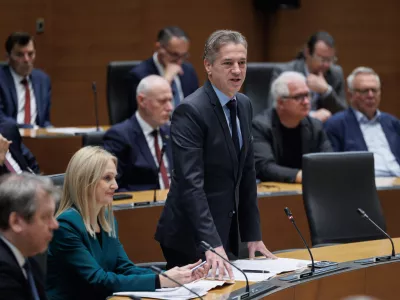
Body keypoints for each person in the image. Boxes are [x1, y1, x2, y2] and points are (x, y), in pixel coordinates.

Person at [155, 30, 276, 279]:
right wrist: (211, 242)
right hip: (191, 236)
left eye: (242, 63)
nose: (237, 70)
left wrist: (252, 235)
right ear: (208, 66)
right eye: (228, 63)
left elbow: (247, 172)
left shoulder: (244, 104)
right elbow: (191, 184)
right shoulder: (190, 111)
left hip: (226, 231)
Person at [46, 146, 205, 300]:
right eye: (107, 178)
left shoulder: (107, 219)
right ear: (85, 181)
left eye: (115, 178)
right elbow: (97, 280)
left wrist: (174, 275)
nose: (115, 185)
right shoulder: (66, 225)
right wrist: (160, 281)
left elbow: (125, 268)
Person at [253, 71, 332, 183]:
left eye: (307, 95)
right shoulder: (260, 126)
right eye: (299, 97)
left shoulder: (315, 126)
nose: (306, 101)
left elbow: (328, 161)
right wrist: (301, 175)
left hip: (310, 189)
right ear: (281, 102)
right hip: (276, 192)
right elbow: (264, 167)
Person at [324, 67, 400, 177]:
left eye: (374, 90)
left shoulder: (392, 122)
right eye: (364, 91)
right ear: (351, 95)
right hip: (365, 185)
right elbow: (332, 167)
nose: (370, 95)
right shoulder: (335, 125)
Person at [104, 75, 173, 191]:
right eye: (162, 101)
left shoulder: (173, 132)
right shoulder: (119, 136)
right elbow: (111, 186)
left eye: (170, 100)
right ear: (142, 101)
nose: (170, 107)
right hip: (143, 206)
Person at [0, 173, 59, 300]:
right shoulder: (3, 272)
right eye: (45, 217)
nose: (55, 225)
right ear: (16, 222)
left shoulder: (27, 260)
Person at [270, 31, 346, 122]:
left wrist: (327, 91)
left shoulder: (335, 73)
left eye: (330, 59)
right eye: (322, 59)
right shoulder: (284, 72)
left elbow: (343, 114)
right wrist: (311, 116)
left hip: (324, 130)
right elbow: (274, 109)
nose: (326, 65)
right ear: (307, 52)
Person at [129, 26, 198, 111]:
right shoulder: (139, 75)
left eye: (184, 56)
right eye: (175, 55)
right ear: (158, 48)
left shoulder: (188, 70)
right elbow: (144, 112)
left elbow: (196, 106)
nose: (179, 62)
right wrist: (166, 80)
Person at [0, 32, 52, 128]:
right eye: (20, 55)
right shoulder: (2, 79)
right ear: (7, 57)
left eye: (30, 54)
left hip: (37, 139)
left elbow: (44, 120)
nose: (26, 60)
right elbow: (1, 118)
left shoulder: (43, 80)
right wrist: (28, 128)